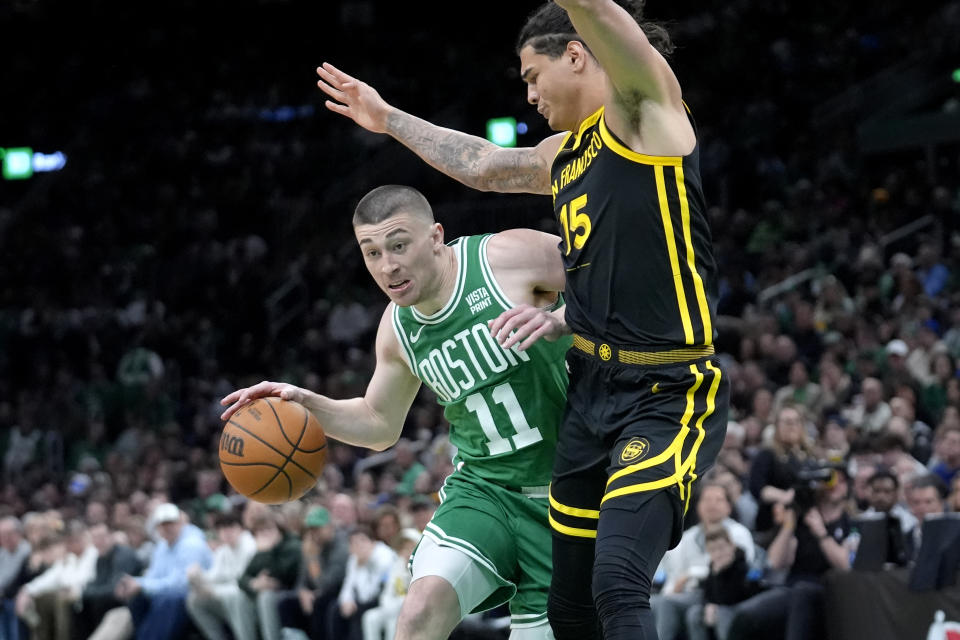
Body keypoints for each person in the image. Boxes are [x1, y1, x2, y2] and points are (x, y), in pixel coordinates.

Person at [315, 2, 729, 637]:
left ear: (576, 54)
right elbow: (482, 166)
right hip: (593, 397)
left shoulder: (646, 117)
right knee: (569, 612)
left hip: (665, 388)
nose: (529, 95)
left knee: (617, 582)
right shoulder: (565, 156)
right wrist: (388, 119)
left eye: (533, 77)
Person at [221, 184, 571, 639]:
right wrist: (305, 404)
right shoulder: (397, 328)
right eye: (372, 253)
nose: (387, 266)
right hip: (485, 491)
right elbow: (379, 424)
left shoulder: (508, 257)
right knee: (418, 613)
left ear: (435, 236)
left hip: (570, 491)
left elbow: (619, 277)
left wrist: (563, 320)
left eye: (399, 245)